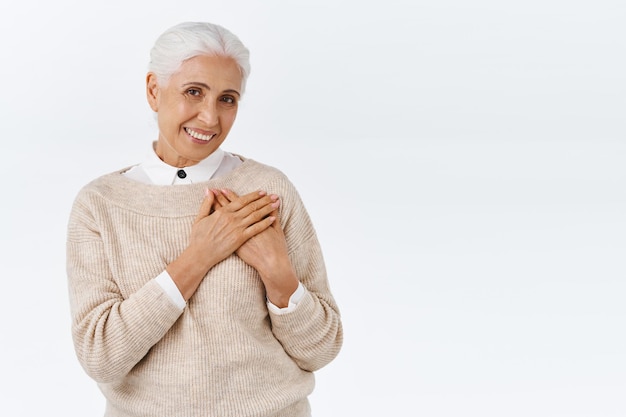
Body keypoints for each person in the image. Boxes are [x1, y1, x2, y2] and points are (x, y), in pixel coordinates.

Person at [66, 21, 342, 417]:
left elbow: (322, 348)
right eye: (194, 92)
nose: (210, 118)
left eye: (227, 99)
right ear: (153, 90)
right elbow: (101, 355)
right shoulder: (101, 204)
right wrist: (199, 257)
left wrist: (278, 271)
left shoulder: (266, 191)